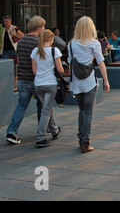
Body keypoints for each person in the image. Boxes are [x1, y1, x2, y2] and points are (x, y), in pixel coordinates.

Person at [68, 16, 110, 153]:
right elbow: (101, 63)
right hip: (89, 82)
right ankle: (85, 142)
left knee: (81, 110)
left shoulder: (71, 44)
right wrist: (106, 81)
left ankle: (81, 137)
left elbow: (70, 63)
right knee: (88, 113)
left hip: (76, 82)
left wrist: (70, 81)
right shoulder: (94, 43)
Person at [4, 16, 46, 144]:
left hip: (22, 78)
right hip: (35, 78)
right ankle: (42, 130)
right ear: (39, 27)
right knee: (43, 104)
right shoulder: (38, 41)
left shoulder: (21, 41)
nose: (44, 28)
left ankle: (12, 131)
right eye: (43, 26)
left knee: (21, 105)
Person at [31, 29, 64, 148]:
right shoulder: (54, 51)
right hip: (50, 83)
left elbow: (34, 71)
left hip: (38, 84)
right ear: (51, 39)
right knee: (46, 110)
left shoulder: (35, 51)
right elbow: (60, 70)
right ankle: (40, 137)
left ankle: (54, 130)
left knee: (47, 108)